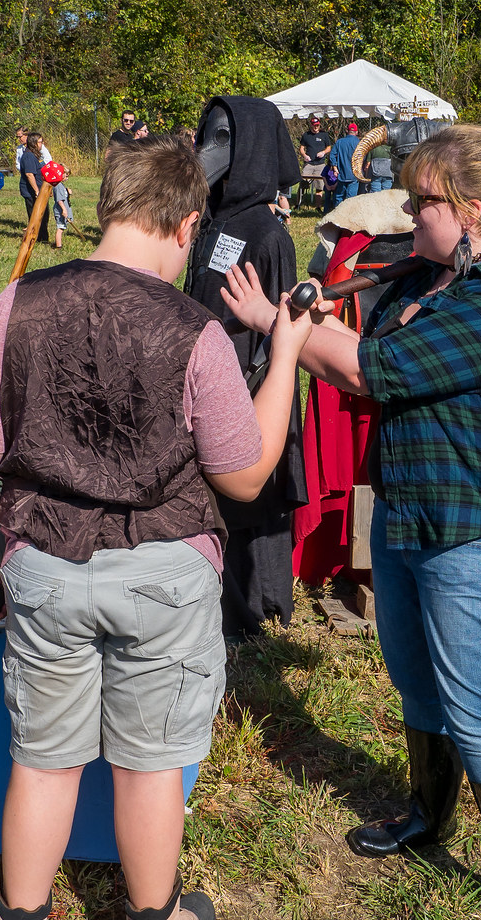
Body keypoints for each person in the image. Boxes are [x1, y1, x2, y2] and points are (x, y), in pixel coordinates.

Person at [0, 134, 311, 920]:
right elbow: (246, 471)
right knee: (150, 761)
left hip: (44, 564)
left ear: (110, 205)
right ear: (188, 225)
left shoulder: (15, 305)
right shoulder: (195, 332)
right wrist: (286, 350)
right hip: (164, 571)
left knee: (43, 755)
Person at [221, 123, 481, 920]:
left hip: (477, 526)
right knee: (414, 678)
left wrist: (277, 326)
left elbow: (371, 370)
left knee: (478, 711)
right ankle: (425, 813)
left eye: (423, 201)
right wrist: (304, 312)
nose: (409, 212)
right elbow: (354, 338)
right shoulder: (435, 274)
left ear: (473, 211)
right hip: (410, 511)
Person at [184, 95, 308, 639]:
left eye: (223, 141)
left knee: (257, 501)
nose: (209, 153)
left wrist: (248, 395)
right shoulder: (211, 224)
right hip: (208, 382)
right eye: (206, 137)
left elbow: (278, 328)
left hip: (251, 385)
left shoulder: (266, 233)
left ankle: (263, 610)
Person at [18, 132, 50, 244]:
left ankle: (43, 237)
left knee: (44, 215)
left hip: (41, 190)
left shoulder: (36, 155)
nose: (42, 144)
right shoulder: (28, 156)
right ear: (33, 143)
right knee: (35, 216)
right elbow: (29, 174)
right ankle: (35, 238)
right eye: (40, 142)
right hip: (31, 192)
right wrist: (37, 191)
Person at [299, 114, 333, 209]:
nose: (315, 128)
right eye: (314, 126)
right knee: (302, 183)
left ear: (319, 125)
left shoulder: (324, 135)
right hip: (309, 164)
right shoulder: (306, 135)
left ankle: (318, 206)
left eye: (317, 125)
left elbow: (329, 147)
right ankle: (299, 203)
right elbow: (301, 148)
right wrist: (304, 155)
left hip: (320, 164)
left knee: (319, 186)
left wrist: (323, 152)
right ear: (311, 125)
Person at [329, 123, 362, 206]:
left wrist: (335, 167)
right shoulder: (359, 143)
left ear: (347, 131)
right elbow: (363, 157)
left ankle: (337, 214)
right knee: (351, 198)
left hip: (342, 174)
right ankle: (349, 215)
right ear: (356, 132)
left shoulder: (339, 142)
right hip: (354, 175)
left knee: (339, 196)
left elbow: (332, 155)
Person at [53, 170, 72, 249]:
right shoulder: (58, 186)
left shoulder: (61, 185)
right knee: (60, 228)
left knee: (62, 227)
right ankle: (58, 246)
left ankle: (59, 244)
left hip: (63, 209)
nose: (67, 178)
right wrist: (64, 210)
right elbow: (59, 200)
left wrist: (67, 191)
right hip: (60, 210)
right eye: (66, 176)